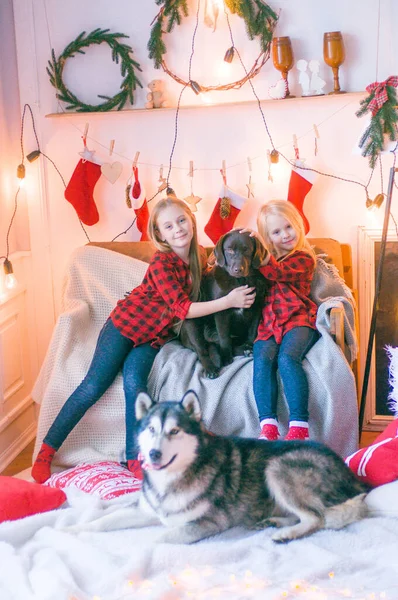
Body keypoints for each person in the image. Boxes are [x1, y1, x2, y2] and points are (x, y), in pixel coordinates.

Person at [32, 196, 256, 483]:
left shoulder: (200, 256)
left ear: (191, 221)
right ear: (160, 234)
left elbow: (228, 258)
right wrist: (229, 301)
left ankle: (134, 457)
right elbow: (182, 309)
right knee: (93, 385)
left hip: (153, 338)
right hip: (125, 326)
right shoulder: (163, 262)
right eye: (168, 226)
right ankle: (46, 452)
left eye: (181, 220)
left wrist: (248, 235)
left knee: (135, 387)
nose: (177, 229)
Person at [252, 199, 319, 441]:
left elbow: (277, 273)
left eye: (289, 227)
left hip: (296, 320)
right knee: (261, 359)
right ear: (268, 238)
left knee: (288, 358)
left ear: (298, 225)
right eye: (277, 232)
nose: (285, 235)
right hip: (268, 325)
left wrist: (257, 250)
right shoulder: (264, 262)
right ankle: (268, 424)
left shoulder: (303, 257)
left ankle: (299, 425)